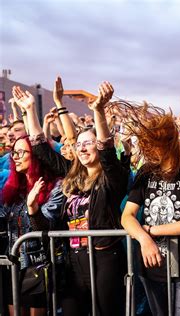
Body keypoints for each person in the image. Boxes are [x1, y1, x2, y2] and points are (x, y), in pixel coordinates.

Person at [13, 81, 130, 316]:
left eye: (88, 144)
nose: (82, 148)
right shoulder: (72, 177)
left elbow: (108, 153)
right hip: (72, 261)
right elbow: (41, 150)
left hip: (104, 258)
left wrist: (97, 111)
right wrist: (30, 110)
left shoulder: (112, 179)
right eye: (79, 145)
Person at [121, 104, 180, 316]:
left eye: (153, 145)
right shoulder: (146, 171)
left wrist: (152, 231)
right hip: (149, 267)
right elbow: (127, 216)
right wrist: (144, 240)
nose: (149, 151)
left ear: (167, 144)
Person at [1, 135, 63, 316]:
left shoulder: (56, 187)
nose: (15, 157)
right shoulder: (13, 189)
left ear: (36, 155)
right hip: (13, 265)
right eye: (14, 153)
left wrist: (32, 207)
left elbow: (45, 228)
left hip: (38, 265)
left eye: (21, 152)